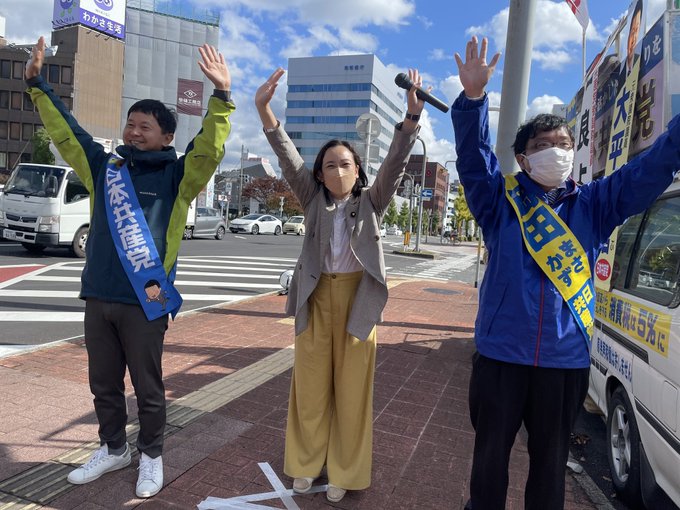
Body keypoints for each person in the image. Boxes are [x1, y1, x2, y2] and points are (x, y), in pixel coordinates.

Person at [451, 35, 680, 509]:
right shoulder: (500, 202)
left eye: (563, 144)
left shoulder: (594, 205)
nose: (555, 151)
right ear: (523, 158)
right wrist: (474, 101)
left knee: (550, 469)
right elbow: (474, 164)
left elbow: (650, 169)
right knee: (488, 464)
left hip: (564, 362)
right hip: (500, 358)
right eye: (543, 145)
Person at [24, 36, 234, 498]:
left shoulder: (179, 177)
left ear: (166, 136)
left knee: (148, 386)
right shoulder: (106, 169)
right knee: (103, 383)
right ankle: (113, 447)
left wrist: (221, 99)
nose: (133, 132)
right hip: (98, 295)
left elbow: (209, 151)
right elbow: (68, 133)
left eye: (144, 126)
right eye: (130, 123)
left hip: (147, 300)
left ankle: (152, 457)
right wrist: (38, 84)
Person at [254, 67, 424, 503]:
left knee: (352, 393)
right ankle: (306, 466)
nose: (337, 169)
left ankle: (346, 472)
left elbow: (395, 163)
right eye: (329, 164)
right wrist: (265, 111)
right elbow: (289, 158)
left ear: (357, 168)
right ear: (320, 172)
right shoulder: (312, 199)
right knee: (309, 389)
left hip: (357, 301)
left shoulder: (373, 201)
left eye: (344, 163)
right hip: (315, 299)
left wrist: (409, 122)